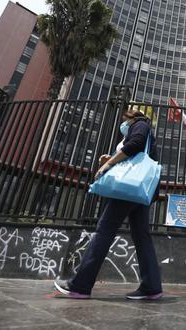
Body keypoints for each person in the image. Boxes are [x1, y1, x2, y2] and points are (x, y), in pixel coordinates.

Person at [54, 109, 163, 300]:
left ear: (132, 117)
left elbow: (136, 144)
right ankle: (152, 287)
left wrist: (108, 164)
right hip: (139, 190)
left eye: (124, 119)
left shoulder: (140, 125)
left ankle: (80, 285)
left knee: (104, 230)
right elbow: (135, 151)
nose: (123, 124)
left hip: (128, 188)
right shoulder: (143, 128)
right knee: (141, 237)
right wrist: (111, 159)